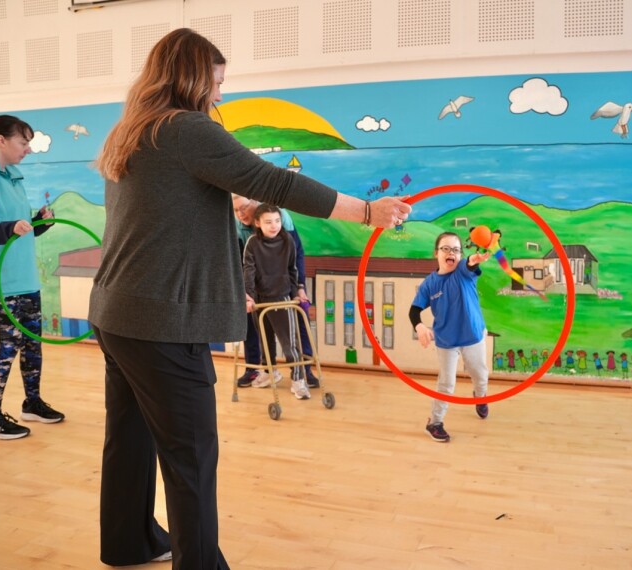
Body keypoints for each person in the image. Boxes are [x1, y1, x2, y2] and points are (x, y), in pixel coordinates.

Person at [89, 28, 410, 569]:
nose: (219, 95)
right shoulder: (187, 127)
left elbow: (162, 208)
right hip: (161, 321)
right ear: (192, 78)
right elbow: (278, 183)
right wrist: (366, 211)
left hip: (116, 312)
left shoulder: (134, 130)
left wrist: (226, 203)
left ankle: (129, 541)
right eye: (216, 83)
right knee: (190, 455)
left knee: (130, 437)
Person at [0, 114, 64, 441]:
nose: (28, 149)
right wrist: (9, 228)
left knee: (32, 343)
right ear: (0, 140)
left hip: (27, 280)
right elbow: (5, 228)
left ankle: (31, 403)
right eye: (23, 142)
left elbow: (19, 229)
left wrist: (38, 222)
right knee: (8, 345)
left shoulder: (15, 178)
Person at [409, 232, 490, 443]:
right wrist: (419, 326)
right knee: (446, 383)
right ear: (436, 253)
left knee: (480, 375)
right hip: (446, 341)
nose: (451, 253)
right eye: (446, 248)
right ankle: (434, 422)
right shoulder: (430, 283)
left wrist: (474, 260)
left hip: (473, 336)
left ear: (460, 255)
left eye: (455, 249)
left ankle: (480, 398)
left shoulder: (463, 271)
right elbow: (414, 310)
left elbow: (470, 264)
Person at [232, 195, 319, 389]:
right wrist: (245, 293)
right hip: (258, 285)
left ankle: (304, 369)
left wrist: (300, 287)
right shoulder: (238, 227)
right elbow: (241, 264)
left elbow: (295, 255)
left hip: (282, 286)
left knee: (298, 317)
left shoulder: (280, 220)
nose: (241, 214)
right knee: (253, 323)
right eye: (236, 210)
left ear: (254, 201)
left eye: (244, 207)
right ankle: (258, 368)